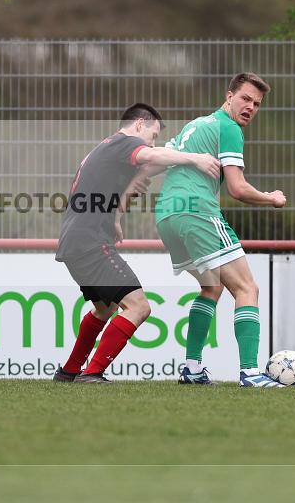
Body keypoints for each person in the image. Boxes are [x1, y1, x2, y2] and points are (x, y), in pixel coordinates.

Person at [54, 103, 221, 383]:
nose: (152, 143)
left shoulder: (107, 148)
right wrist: (195, 159)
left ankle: (69, 371)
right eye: (153, 135)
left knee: (105, 308)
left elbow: (105, 186)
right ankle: (92, 372)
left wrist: (115, 216)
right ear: (140, 124)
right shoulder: (123, 142)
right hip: (90, 241)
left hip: (75, 240)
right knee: (139, 307)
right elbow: (152, 155)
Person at [152, 72, 287, 387]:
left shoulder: (196, 125)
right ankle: (250, 373)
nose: (250, 107)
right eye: (245, 99)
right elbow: (237, 189)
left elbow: (154, 162)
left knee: (211, 288)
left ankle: (192, 368)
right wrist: (271, 198)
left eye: (256, 104)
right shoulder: (229, 128)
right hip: (197, 212)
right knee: (247, 288)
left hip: (166, 215)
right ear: (229, 96)